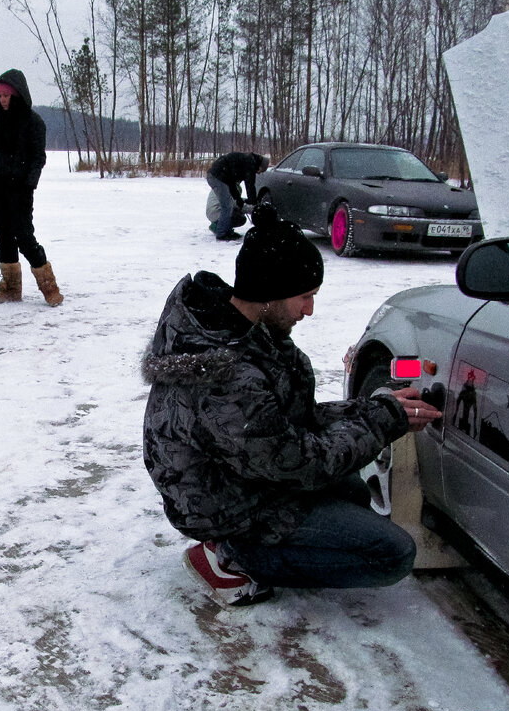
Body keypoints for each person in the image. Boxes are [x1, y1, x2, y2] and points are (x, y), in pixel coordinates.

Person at [142, 203, 442, 607]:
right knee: (390, 554)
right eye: (305, 296)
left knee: (353, 492)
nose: (310, 310)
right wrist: (381, 421)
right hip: (221, 502)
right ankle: (227, 554)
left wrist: (376, 408)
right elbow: (297, 461)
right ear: (270, 292)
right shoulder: (230, 376)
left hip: (245, 474)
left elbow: (296, 421)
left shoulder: (250, 332)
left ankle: (251, 544)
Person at [0, 68, 64, 307]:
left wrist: (28, 184)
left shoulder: (33, 122)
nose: (3, 100)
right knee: (3, 237)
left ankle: (50, 288)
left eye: (6, 96)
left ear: (17, 95)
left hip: (20, 191)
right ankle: (10, 289)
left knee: (25, 237)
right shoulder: (1, 120)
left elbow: (38, 158)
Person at [206, 151, 269, 241]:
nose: (258, 173)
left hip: (217, 176)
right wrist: (253, 202)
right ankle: (221, 234)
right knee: (227, 206)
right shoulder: (250, 163)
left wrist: (238, 199)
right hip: (216, 176)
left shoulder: (244, 161)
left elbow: (231, 184)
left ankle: (226, 231)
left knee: (228, 205)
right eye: (260, 171)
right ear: (260, 165)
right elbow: (250, 185)